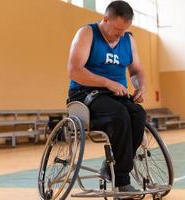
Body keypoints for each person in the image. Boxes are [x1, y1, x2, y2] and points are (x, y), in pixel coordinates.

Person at [67, 1, 146, 192]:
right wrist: (107, 82)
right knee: (120, 115)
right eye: (117, 29)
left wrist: (140, 87)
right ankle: (120, 179)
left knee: (138, 114)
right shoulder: (87, 33)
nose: (119, 35)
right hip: (85, 93)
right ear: (105, 19)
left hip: (115, 95)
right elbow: (75, 71)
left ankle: (112, 166)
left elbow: (135, 70)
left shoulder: (128, 39)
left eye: (124, 30)